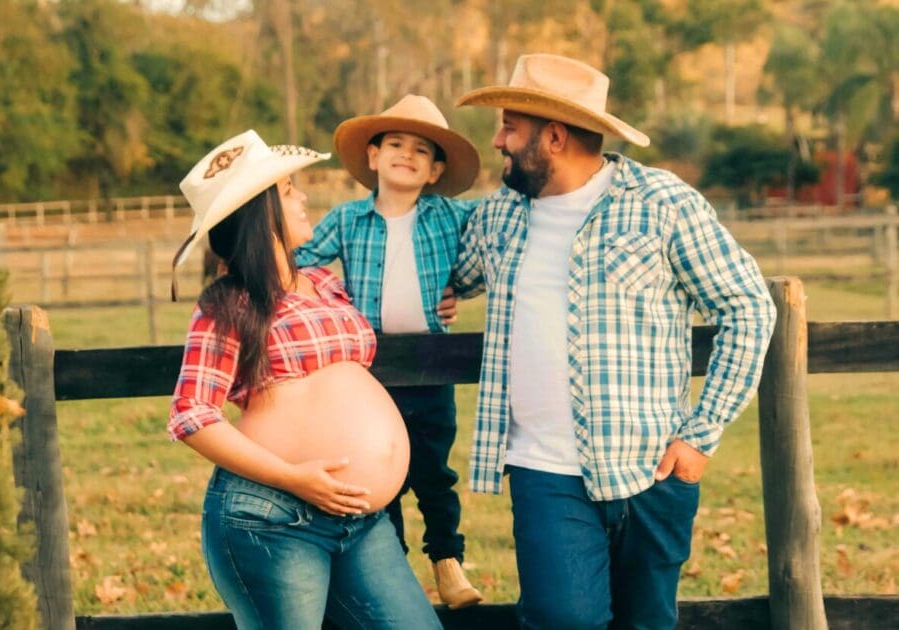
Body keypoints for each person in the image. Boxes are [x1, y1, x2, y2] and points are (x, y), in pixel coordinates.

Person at [449, 54, 778, 629]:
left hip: (652, 468)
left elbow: (748, 307)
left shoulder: (662, 203)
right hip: (542, 470)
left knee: (646, 621)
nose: (498, 140)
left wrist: (700, 437)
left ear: (552, 137)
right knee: (561, 619)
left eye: (508, 126)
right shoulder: (498, 215)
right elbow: (442, 266)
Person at [168, 129, 442, 630]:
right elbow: (192, 414)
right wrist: (294, 478)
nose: (303, 196)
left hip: (359, 519)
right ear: (260, 212)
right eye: (289, 190)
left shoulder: (324, 283)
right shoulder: (229, 305)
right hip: (273, 518)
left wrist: (439, 300)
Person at [295, 94, 484, 609]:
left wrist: (460, 291)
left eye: (422, 150)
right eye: (395, 143)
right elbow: (298, 262)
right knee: (383, 473)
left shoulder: (450, 217)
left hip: (432, 368)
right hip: (371, 375)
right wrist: (330, 303)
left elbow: (496, 240)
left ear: (434, 170)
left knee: (434, 471)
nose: (407, 154)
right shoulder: (348, 219)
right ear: (373, 157)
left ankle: (447, 561)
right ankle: (395, 573)